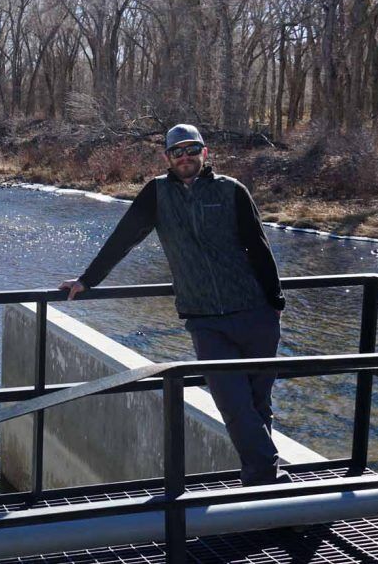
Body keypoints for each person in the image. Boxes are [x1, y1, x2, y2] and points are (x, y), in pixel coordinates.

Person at [59, 124, 287, 486]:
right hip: (205, 319)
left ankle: (260, 491)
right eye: (176, 151)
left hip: (254, 312)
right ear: (167, 158)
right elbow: (123, 239)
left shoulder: (230, 190)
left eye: (191, 149)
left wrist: (275, 300)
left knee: (259, 406)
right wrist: (88, 280)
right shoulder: (157, 193)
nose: (185, 157)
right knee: (233, 405)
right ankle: (275, 487)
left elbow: (258, 246)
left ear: (204, 153)